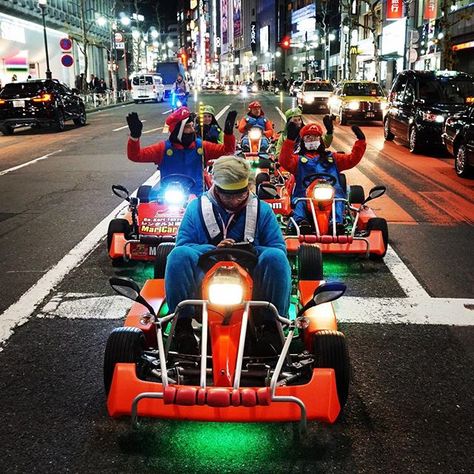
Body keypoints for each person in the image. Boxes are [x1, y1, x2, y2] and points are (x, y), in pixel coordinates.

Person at [165, 155, 291, 353]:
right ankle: (182, 327)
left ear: (248, 187)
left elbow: (277, 247)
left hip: (251, 277)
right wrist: (212, 249)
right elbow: (184, 244)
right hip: (205, 277)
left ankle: (271, 329)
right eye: (228, 194)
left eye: (240, 194)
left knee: (276, 258)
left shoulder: (262, 210)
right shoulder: (196, 208)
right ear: (216, 188)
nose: (234, 200)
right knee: (177, 255)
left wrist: (250, 250)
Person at [126, 107, 237, 196]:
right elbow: (135, 155)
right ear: (178, 130)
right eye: (188, 127)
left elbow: (228, 151)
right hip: (168, 197)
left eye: (192, 126)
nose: (192, 130)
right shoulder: (163, 149)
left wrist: (228, 133)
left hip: (198, 197)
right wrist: (134, 137)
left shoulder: (202, 147)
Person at [279, 122, 366, 233]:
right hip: (305, 194)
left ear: (320, 139)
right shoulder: (298, 160)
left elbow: (352, 159)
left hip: (331, 194)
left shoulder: (332, 158)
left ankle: (336, 223)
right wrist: (290, 140)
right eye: (308, 137)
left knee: (339, 200)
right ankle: (301, 223)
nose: (312, 140)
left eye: (315, 137)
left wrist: (361, 141)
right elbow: (284, 161)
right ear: (303, 141)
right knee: (300, 202)